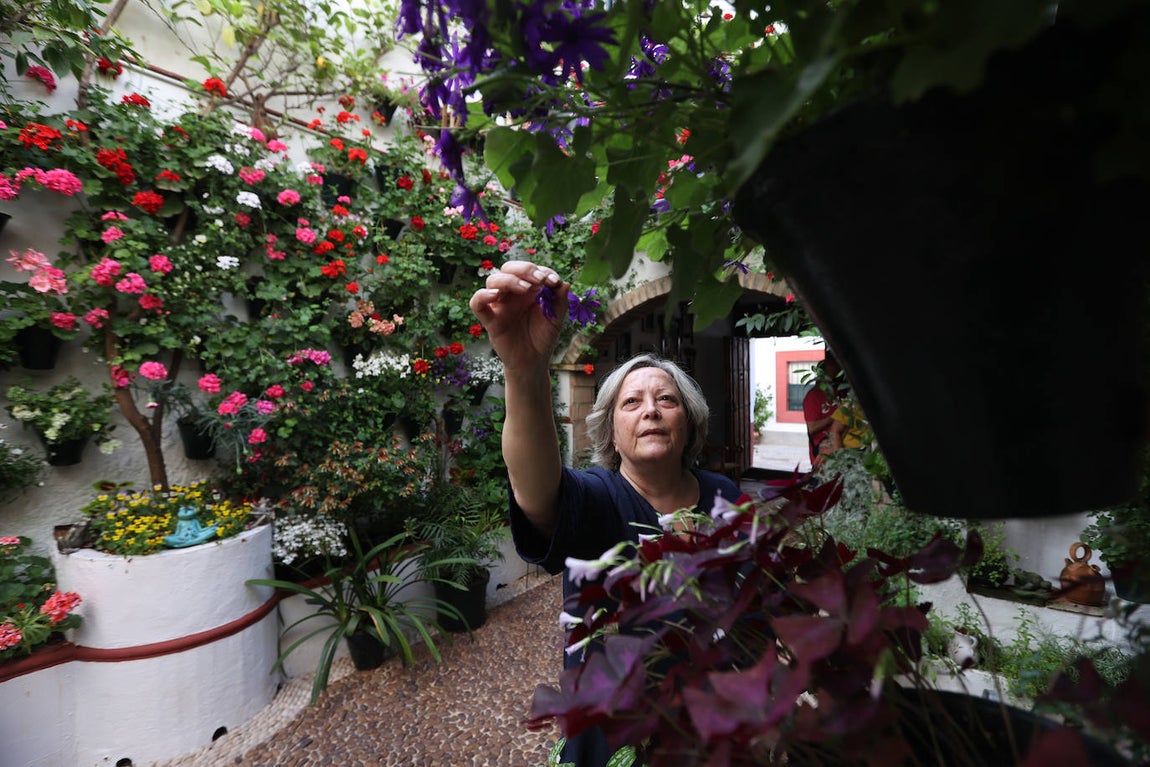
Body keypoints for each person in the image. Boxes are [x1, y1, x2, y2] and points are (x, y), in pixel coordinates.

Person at [469, 260, 743, 767]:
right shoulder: (599, 498)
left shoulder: (723, 494)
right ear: (610, 434)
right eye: (631, 403)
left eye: (666, 400)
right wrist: (525, 370)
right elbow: (535, 487)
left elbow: (749, 596)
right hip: (613, 735)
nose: (651, 410)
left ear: (689, 423)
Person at [801, 351, 843, 470]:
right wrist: (836, 416)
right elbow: (812, 428)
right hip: (823, 453)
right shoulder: (813, 396)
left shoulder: (841, 391)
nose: (836, 370)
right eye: (832, 367)